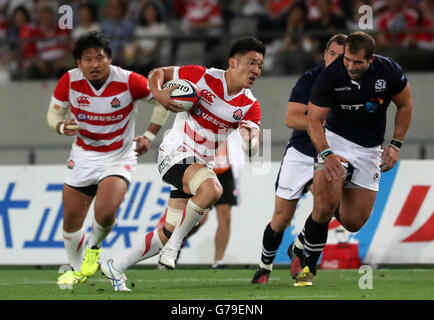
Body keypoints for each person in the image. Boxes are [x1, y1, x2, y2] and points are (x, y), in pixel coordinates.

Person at [100, 37, 265, 291]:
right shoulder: (202, 76)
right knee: (213, 190)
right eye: (251, 62)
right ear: (232, 62)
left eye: (260, 66)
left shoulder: (250, 106)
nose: (256, 70)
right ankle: (176, 244)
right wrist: (159, 93)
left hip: (200, 163)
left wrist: (250, 142)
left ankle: (116, 266)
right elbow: (157, 73)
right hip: (175, 152)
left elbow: (252, 144)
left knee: (166, 231)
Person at [48, 31, 169, 286]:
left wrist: (148, 135)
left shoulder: (129, 81)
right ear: (78, 63)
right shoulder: (68, 81)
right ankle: (76, 268)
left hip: (118, 155)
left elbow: (161, 102)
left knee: (105, 211)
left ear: (110, 59)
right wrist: (61, 128)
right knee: (70, 219)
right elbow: (53, 115)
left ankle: (94, 249)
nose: (94, 64)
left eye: (99, 58)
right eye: (87, 59)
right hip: (82, 156)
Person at [292, 31, 413, 287]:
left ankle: (305, 234)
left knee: (353, 222)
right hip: (336, 142)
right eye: (347, 59)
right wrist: (326, 153)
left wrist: (395, 144)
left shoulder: (389, 71)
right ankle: (308, 269)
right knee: (324, 206)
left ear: (371, 59)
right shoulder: (331, 76)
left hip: (370, 149)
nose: (350, 66)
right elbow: (313, 119)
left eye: (357, 62)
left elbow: (406, 104)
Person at [251, 33, 347, 284]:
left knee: (327, 207)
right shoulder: (311, 79)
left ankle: (305, 258)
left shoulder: (356, 84)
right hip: (302, 151)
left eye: (343, 57)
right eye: (332, 54)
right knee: (281, 218)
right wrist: (321, 124)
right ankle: (264, 266)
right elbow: (292, 118)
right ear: (325, 53)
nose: (336, 61)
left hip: (330, 156)